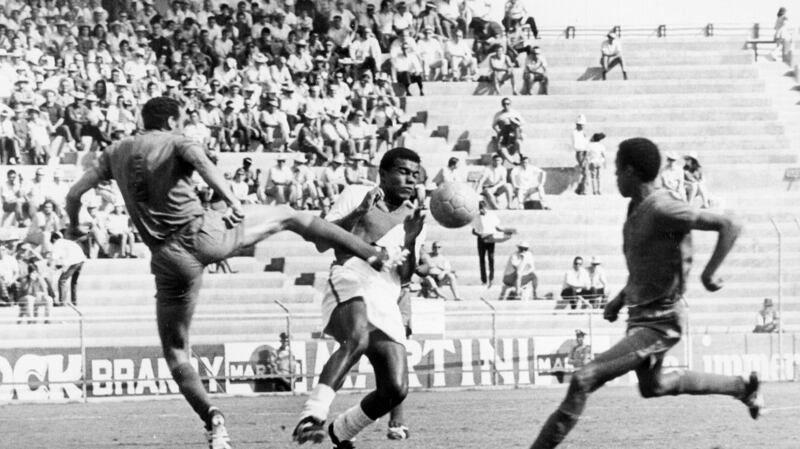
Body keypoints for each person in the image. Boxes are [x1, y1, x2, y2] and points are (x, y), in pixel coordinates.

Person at [65, 97, 394, 449]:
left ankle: (214, 420)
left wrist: (73, 227)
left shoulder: (115, 151)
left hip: (167, 259)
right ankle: (369, 253)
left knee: (177, 352)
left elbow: (74, 194)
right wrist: (231, 200)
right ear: (174, 119)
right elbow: (203, 164)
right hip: (202, 235)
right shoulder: (177, 140)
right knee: (290, 216)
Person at [529, 137, 763, 449]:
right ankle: (742, 388)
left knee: (582, 379)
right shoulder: (635, 208)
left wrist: (709, 274)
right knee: (655, 386)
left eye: (616, 171)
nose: (614, 178)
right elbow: (648, 264)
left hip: (661, 321)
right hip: (642, 316)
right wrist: (620, 298)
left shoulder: (662, 207)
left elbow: (729, 223)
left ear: (630, 172)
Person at [292, 147, 425, 449]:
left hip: (386, 292)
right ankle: (312, 415)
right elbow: (322, 242)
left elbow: (404, 276)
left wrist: (412, 238)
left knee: (396, 387)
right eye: (403, 172)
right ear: (384, 173)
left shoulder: (413, 218)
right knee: (357, 339)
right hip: (351, 274)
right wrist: (359, 212)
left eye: (415, 175)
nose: (410, 180)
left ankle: (343, 431)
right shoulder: (358, 193)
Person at [471, 200, 515, 287]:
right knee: (482, 260)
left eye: (482, 209)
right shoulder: (476, 216)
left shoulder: (491, 215)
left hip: (490, 238)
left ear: (485, 208)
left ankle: (491, 279)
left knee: (491, 259)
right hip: (481, 239)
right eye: (479, 209)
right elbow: (473, 231)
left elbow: (497, 227)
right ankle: (484, 280)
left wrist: (506, 231)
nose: (481, 211)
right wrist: (480, 235)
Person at [492, 97, 524, 165]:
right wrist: (499, 132)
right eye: (504, 104)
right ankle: (514, 162)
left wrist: (514, 122)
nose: (506, 105)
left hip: (514, 133)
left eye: (508, 104)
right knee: (502, 148)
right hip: (504, 133)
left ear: (510, 104)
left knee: (519, 142)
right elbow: (494, 125)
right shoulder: (498, 114)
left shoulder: (515, 113)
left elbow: (522, 123)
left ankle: (521, 156)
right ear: (502, 105)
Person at [572, 115, 589, 195]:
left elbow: (586, 144)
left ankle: (581, 189)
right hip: (580, 153)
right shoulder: (575, 133)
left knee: (585, 172)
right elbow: (576, 145)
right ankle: (582, 189)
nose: (582, 126)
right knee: (584, 172)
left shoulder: (583, 133)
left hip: (584, 152)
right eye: (580, 125)